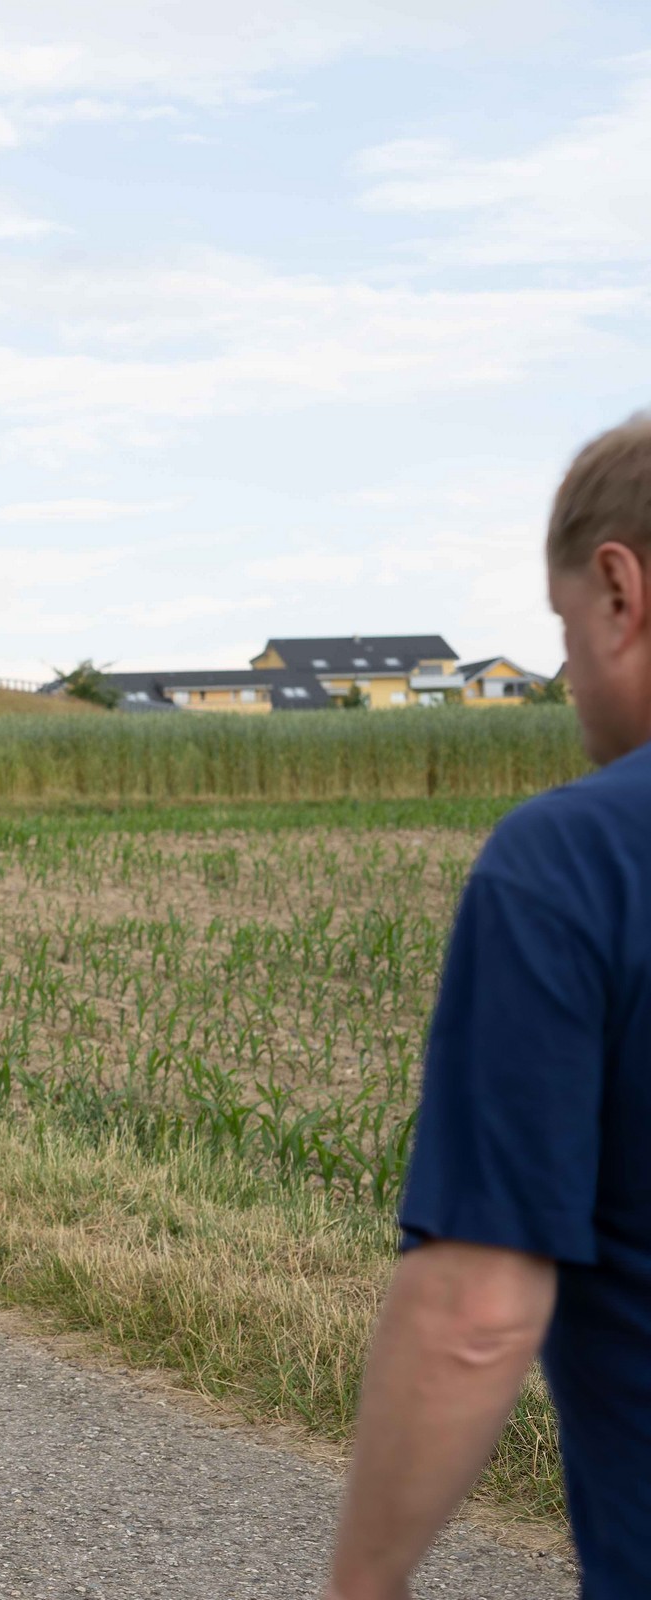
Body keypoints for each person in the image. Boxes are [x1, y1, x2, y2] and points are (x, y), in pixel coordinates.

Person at [325, 417, 651, 1600]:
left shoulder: (575, 860)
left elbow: (477, 1308)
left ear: (618, 589)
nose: (570, 685)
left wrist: (362, 1583)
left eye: (564, 634)